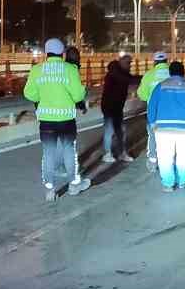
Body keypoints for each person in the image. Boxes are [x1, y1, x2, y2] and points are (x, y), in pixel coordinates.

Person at [23, 38, 90, 201]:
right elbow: (78, 95)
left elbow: (29, 94)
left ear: (46, 53)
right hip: (66, 119)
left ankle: (50, 190)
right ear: (62, 53)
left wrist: (43, 95)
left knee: (48, 154)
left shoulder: (37, 70)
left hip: (46, 119)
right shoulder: (70, 69)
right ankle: (74, 185)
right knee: (69, 151)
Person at [146, 61, 185, 192]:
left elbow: (152, 107)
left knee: (165, 156)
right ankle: (182, 181)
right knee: (184, 156)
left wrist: (153, 123)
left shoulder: (160, 87)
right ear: (183, 73)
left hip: (163, 127)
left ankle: (168, 184)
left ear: (170, 73)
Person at [100, 53, 140, 163]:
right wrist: (145, 78)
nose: (130, 66)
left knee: (120, 130)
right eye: (128, 63)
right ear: (121, 62)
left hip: (117, 106)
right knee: (110, 130)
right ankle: (107, 154)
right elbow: (128, 80)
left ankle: (122, 153)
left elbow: (130, 79)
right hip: (109, 106)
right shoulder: (114, 72)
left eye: (130, 63)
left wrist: (144, 77)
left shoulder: (121, 72)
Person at [136, 51, 171, 163]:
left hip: (154, 110)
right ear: (166, 61)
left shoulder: (149, 75)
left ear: (154, 62)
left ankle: (152, 159)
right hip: (172, 109)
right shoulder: (173, 73)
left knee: (153, 134)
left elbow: (142, 95)